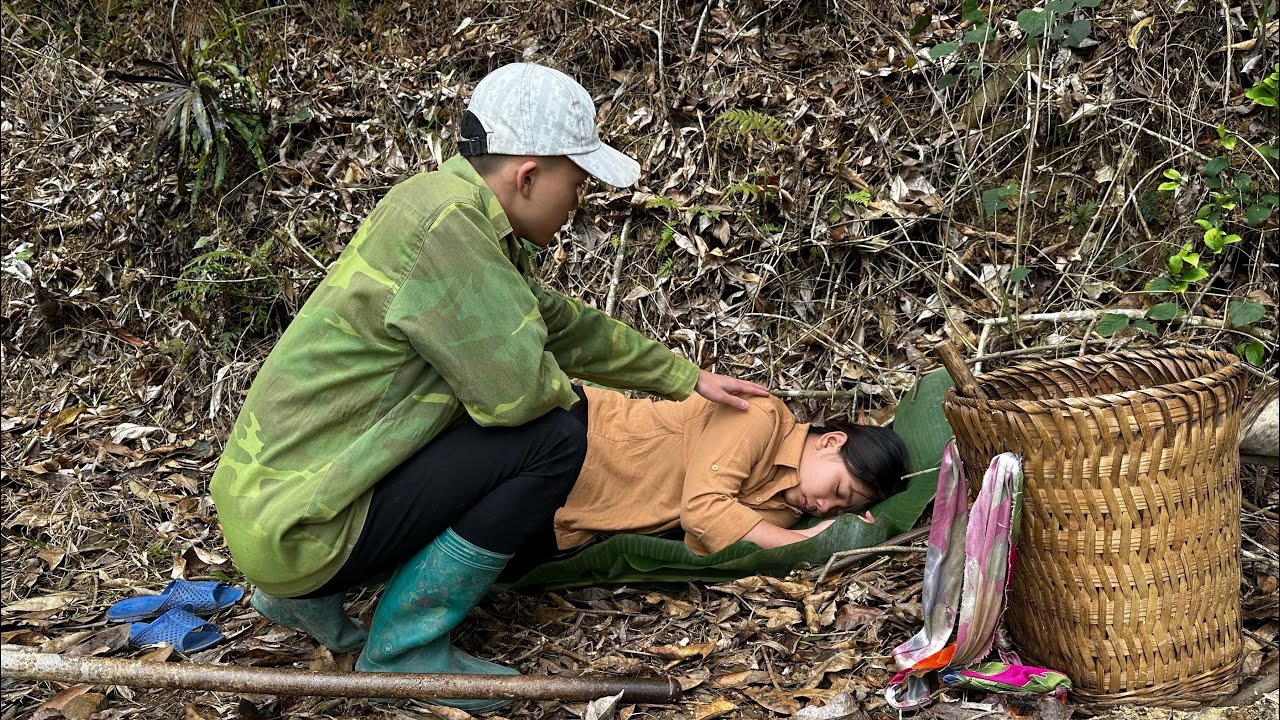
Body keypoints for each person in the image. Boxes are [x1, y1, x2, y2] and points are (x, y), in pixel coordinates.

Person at [208, 62, 768, 711]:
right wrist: (575, 393)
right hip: (303, 527)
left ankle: (309, 600)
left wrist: (685, 378)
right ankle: (404, 651)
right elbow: (519, 396)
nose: (577, 205)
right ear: (527, 176)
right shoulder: (451, 230)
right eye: (576, 184)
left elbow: (557, 322)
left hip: (273, 508)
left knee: (533, 420)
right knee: (556, 436)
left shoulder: (443, 207)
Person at [502, 384, 909, 579]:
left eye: (840, 509)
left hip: (569, 520)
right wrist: (810, 540)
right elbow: (702, 512)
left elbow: (701, 544)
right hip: (571, 442)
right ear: (831, 441)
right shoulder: (760, 416)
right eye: (838, 491)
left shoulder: (782, 511)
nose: (825, 507)